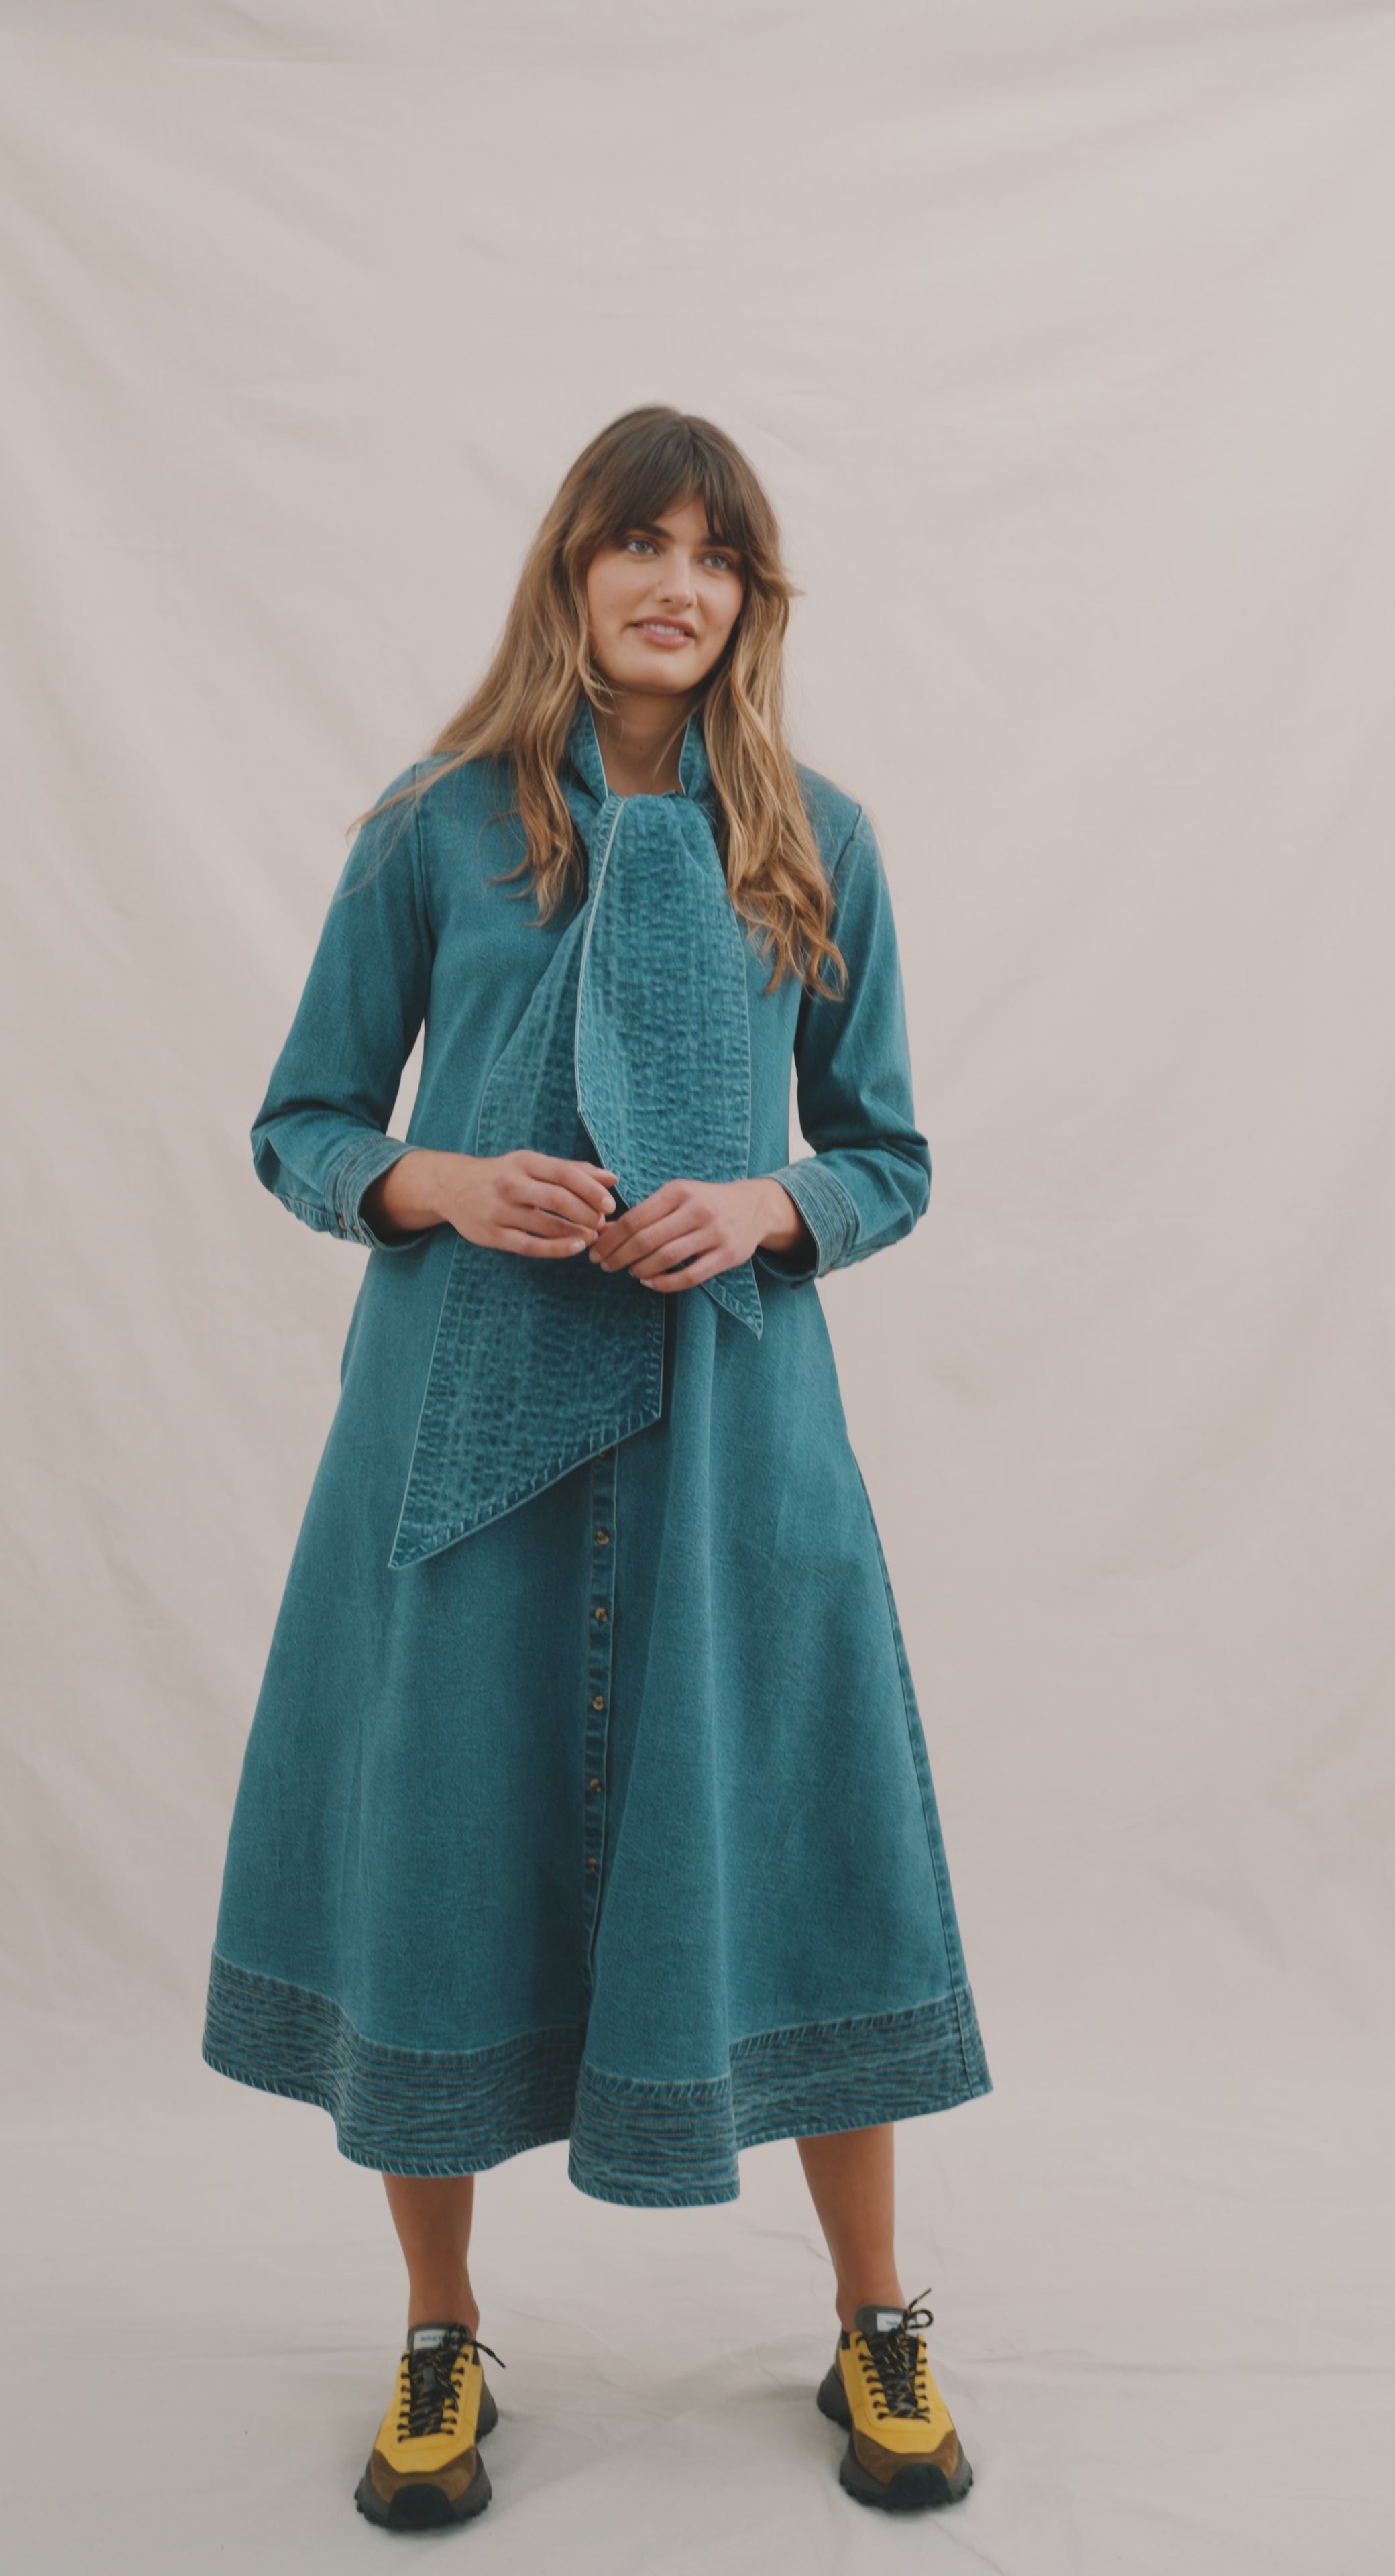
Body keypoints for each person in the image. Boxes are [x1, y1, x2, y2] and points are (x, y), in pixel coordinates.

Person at [203, 404, 993, 2525]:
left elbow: (892, 1156)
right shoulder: (435, 827)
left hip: (740, 1436)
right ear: (572, 570)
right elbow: (301, 1125)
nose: (677, 583)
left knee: (802, 1839)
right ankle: (439, 2330)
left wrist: (769, 1204)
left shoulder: (813, 838)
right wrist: (445, 1180)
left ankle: (875, 2312)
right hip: (459, 1444)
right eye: (640, 542)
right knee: (440, 1847)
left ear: (751, 598)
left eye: (716, 555)